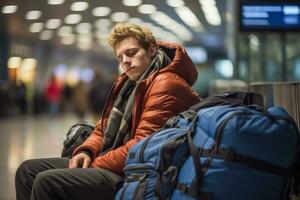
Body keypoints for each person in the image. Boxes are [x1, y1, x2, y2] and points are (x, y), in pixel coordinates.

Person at [15, 22, 201, 200]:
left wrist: (95, 162)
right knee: (27, 170)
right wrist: (86, 151)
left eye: (131, 53)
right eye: (120, 58)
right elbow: (102, 129)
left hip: (139, 175)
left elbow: (141, 147)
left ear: (151, 50)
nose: (125, 62)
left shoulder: (165, 84)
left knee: (47, 182)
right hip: (118, 163)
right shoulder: (130, 84)